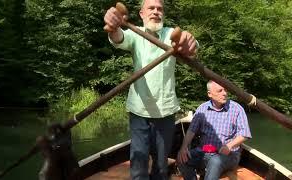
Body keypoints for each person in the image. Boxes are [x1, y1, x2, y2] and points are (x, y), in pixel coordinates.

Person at [104, 0, 198, 179]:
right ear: (141, 14)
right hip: (139, 111)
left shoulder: (171, 34)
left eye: (159, 9)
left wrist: (189, 43)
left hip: (165, 112)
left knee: (161, 167)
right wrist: (113, 26)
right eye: (151, 8)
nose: (156, 12)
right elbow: (118, 38)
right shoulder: (134, 33)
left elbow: (188, 44)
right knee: (138, 165)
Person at [177, 80, 252, 180]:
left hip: (229, 155)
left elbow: (245, 134)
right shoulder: (202, 109)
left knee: (215, 161)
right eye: (220, 91)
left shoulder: (236, 109)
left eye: (225, 90)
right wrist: (183, 147)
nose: (224, 93)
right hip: (204, 151)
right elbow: (192, 130)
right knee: (181, 159)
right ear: (210, 94)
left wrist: (229, 146)